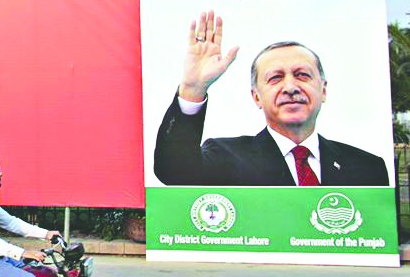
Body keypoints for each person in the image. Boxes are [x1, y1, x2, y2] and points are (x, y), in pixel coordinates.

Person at [154, 11, 388, 186]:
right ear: (256, 97)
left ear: (323, 90)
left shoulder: (367, 168)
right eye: (275, 78)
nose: (290, 87)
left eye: (302, 75)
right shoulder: (225, 157)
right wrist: (193, 89)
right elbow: (175, 171)